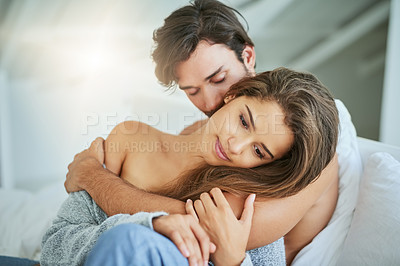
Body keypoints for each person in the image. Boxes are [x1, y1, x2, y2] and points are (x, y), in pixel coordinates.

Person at [64, 0, 342, 264]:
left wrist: (93, 176)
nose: (209, 104)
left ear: (247, 56)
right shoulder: (199, 134)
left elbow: (219, 231)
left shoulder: (307, 141)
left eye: (219, 79)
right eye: (192, 91)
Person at [42, 68, 339, 266]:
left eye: (258, 151)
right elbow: (55, 246)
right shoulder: (131, 140)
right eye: (243, 120)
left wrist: (233, 261)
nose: (235, 146)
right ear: (232, 95)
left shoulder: (245, 206)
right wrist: (150, 224)